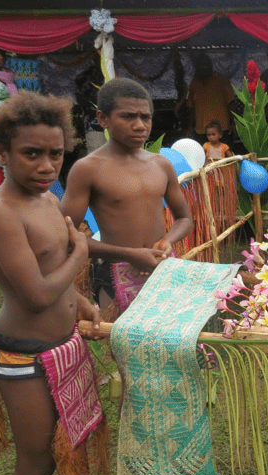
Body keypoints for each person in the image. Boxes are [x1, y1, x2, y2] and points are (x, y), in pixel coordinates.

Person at [0, 91, 109, 475]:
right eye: (31, 154)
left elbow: (55, 271)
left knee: (69, 446)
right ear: (1, 152)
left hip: (63, 344)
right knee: (37, 462)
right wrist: (82, 252)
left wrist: (83, 302)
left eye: (55, 154)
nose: (47, 166)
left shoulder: (48, 200)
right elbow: (35, 295)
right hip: (22, 355)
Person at [61, 78, 194, 315]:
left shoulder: (161, 165)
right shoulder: (88, 169)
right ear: (103, 118)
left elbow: (184, 218)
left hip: (160, 266)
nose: (140, 125)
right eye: (128, 116)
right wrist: (130, 255)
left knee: (165, 343)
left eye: (145, 117)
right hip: (114, 273)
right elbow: (64, 236)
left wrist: (167, 242)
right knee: (123, 346)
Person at [185, 53, 236, 141]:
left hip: (222, 129)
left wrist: (234, 125)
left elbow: (231, 103)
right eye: (201, 65)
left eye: (206, 65)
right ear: (197, 67)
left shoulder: (222, 80)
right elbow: (192, 107)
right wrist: (190, 127)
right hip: (201, 130)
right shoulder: (194, 82)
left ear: (211, 65)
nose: (204, 67)